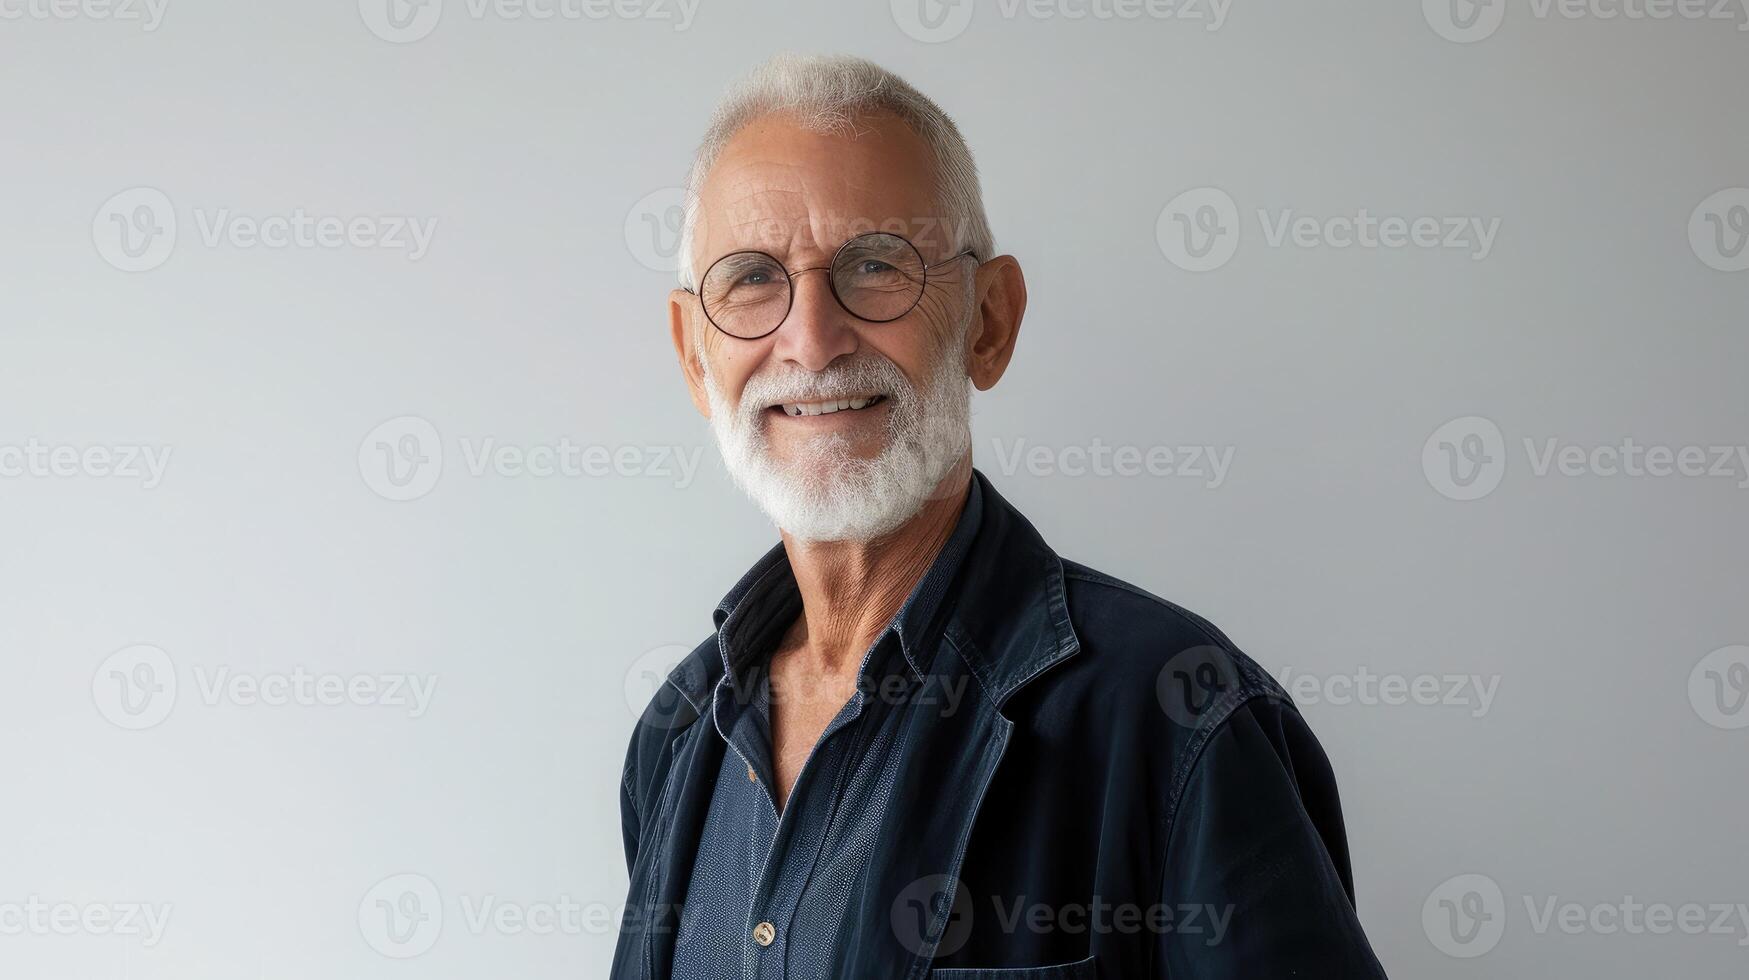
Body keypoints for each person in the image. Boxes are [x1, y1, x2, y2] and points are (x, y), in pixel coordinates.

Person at [612, 53, 1388, 979]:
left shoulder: (1179, 715)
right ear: (694, 356)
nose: (810, 340)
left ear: (989, 321)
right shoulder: (678, 733)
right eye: (751, 278)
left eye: (875, 265)